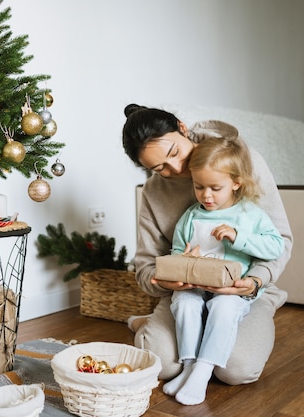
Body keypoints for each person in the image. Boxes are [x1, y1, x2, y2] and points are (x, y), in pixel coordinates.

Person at [121, 104, 293, 399]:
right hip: (187, 293)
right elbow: (146, 267)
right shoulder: (154, 193)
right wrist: (167, 280)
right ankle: (157, 328)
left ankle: (236, 328)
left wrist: (254, 282)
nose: (174, 170)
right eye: (158, 168)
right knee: (160, 364)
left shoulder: (242, 161)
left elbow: (279, 240)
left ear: (183, 128)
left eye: (174, 153)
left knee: (237, 370)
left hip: (243, 291)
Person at [163, 136, 285, 405]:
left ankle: (204, 369)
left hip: (232, 291)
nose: (206, 195)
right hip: (195, 287)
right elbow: (175, 251)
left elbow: (276, 246)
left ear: (236, 182)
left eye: (215, 188)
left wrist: (239, 237)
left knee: (224, 307)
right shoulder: (191, 216)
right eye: (199, 187)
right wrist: (183, 260)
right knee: (183, 303)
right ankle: (189, 365)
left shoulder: (249, 215)